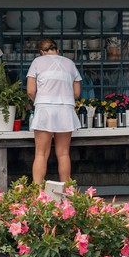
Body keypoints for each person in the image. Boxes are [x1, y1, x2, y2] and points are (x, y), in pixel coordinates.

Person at [26, 38, 81, 184]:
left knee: (41, 154)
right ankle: (67, 192)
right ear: (57, 50)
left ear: (41, 51)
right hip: (65, 109)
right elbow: (76, 92)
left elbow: (31, 91)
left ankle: (37, 193)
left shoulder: (37, 62)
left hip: (45, 109)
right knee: (63, 154)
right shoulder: (70, 63)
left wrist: (39, 100)